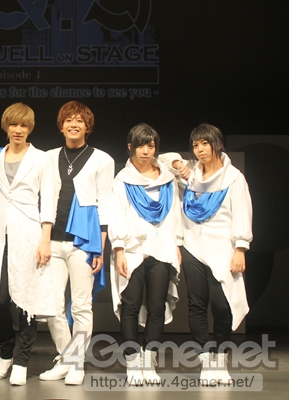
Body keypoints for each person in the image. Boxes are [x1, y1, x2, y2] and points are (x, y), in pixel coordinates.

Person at [161, 123, 252, 384]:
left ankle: (221, 357)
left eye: (205, 144)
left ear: (218, 145)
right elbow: (161, 159)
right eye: (195, 145)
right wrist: (178, 163)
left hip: (223, 247)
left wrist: (240, 248)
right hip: (193, 246)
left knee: (222, 305)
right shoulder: (191, 174)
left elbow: (242, 212)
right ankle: (205, 359)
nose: (200, 150)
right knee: (197, 303)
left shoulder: (233, 178)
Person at [0, 103, 57, 385]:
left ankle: (22, 360)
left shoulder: (42, 159)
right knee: (0, 300)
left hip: (29, 233)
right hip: (0, 235)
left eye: (23, 125)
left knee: (26, 300)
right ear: (6, 126)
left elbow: (48, 201)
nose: (18, 130)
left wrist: (45, 240)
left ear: (30, 128)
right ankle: (6, 353)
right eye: (14, 124)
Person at [40, 100, 113, 386]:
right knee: (52, 305)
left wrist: (100, 247)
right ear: (61, 126)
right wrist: (43, 240)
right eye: (68, 120)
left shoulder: (102, 159)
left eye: (79, 120)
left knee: (81, 305)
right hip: (53, 241)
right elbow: (45, 199)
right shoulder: (49, 157)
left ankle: (77, 363)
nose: (73, 124)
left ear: (87, 127)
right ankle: (66, 359)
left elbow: (104, 204)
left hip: (83, 243)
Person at [108, 123, 181, 385]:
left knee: (156, 305)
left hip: (161, 248)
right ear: (130, 147)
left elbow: (174, 213)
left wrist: (177, 245)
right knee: (130, 305)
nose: (146, 151)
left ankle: (149, 360)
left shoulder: (167, 179)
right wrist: (119, 249)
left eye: (151, 146)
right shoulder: (122, 180)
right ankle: (132, 360)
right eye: (140, 145)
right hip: (131, 249)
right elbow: (116, 214)